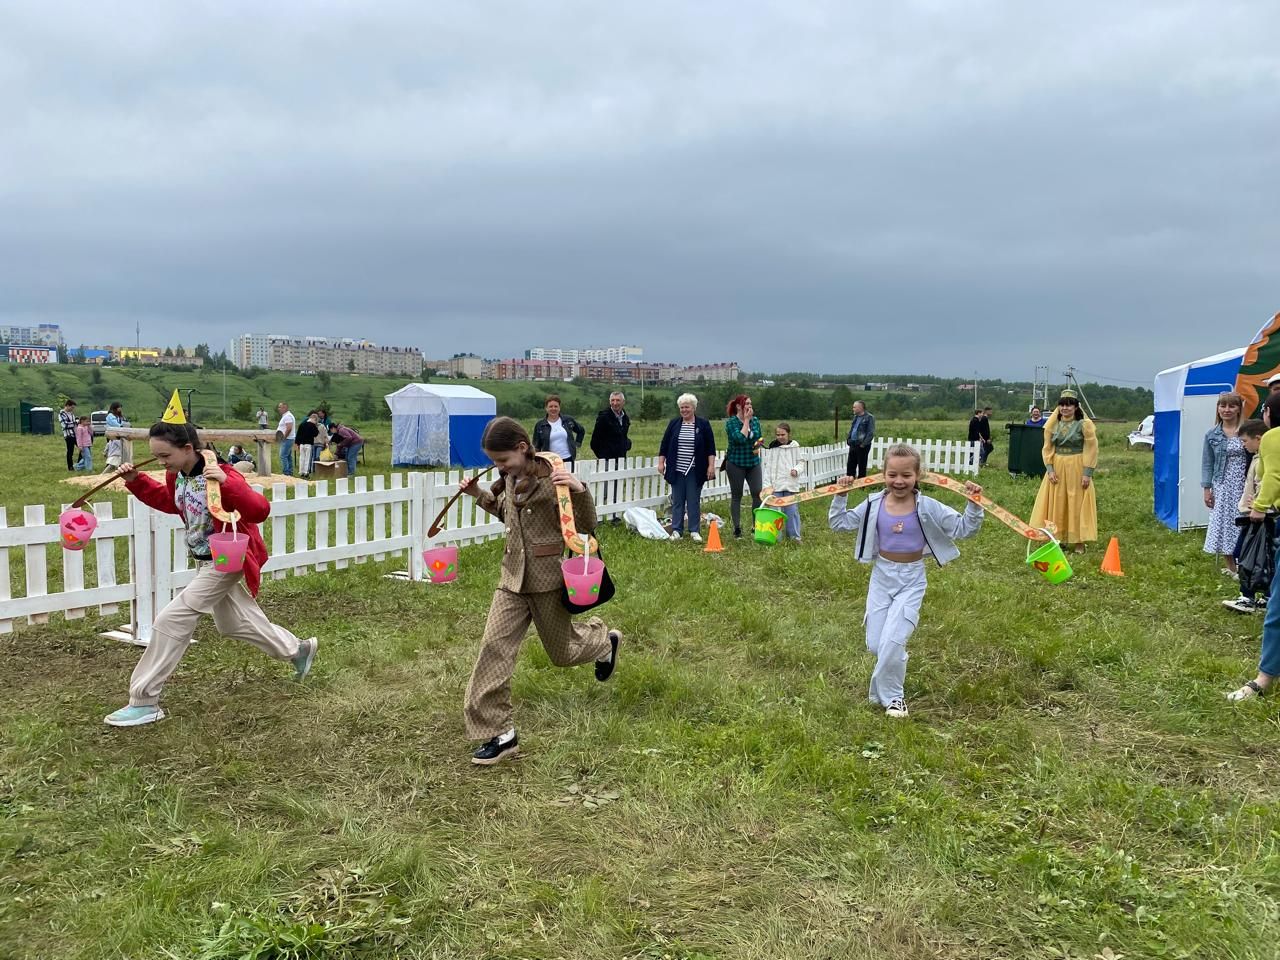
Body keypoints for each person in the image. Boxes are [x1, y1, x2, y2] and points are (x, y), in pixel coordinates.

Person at [103, 420, 318, 727]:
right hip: (205, 560)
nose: (161, 462)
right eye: (157, 456)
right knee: (233, 624)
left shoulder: (220, 474)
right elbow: (172, 503)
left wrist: (228, 483)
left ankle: (144, 699)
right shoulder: (176, 475)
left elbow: (259, 510)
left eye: (165, 455)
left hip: (226, 559)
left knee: (173, 618)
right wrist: (137, 480)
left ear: (188, 448)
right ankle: (297, 650)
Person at [456, 417, 621, 765]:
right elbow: (507, 514)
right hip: (511, 580)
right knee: (493, 648)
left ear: (521, 447)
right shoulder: (511, 478)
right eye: (495, 462)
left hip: (548, 581)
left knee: (562, 654)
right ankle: (501, 734)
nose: (498, 467)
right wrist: (479, 495)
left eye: (503, 460)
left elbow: (586, 525)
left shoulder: (554, 479)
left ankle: (604, 641)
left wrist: (580, 490)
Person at [829, 443, 984, 718]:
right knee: (877, 644)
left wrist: (973, 504)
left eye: (906, 475)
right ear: (883, 474)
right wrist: (841, 494)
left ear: (918, 476)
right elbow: (839, 523)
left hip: (912, 579)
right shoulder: (873, 504)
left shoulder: (928, 506)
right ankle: (894, 658)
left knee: (893, 641)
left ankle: (894, 699)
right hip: (881, 576)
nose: (898, 481)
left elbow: (964, 529)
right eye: (892, 475)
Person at [1227, 395, 1280, 701]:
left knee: (1276, 606)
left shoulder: (1273, 437)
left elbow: (1273, 476)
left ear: (1270, 413)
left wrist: (1258, 507)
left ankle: (1263, 679)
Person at [1029, 390, 1097, 553]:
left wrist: (1087, 472)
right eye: (1062, 405)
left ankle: (1079, 541)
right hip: (1058, 466)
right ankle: (1057, 538)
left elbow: (1091, 448)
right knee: (1057, 502)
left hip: (1077, 465)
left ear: (1075, 407)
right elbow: (1047, 448)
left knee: (1076, 502)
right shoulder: (1052, 425)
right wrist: (1050, 470)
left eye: (1069, 405)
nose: (1065, 408)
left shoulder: (1084, 425)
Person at [1223, 418, 1269, 613]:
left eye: (1244, 441)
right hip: (1254, 512)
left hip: (1257, 515)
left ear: (1258, 439)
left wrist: (1258, 504)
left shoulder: (1264, 459)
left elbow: (1265, 484)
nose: (1243, 445)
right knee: (1263, 557)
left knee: (1245, 555)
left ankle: (1247, 597)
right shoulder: (1258, 456)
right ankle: (1267, 596)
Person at [657, 393, 717, 542]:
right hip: (676, 468)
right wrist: (661, 462)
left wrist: (711, 466)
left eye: (687, 407)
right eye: (682, 407)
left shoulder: (703, 424)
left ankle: (694, 530)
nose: (684, 410)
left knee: (693, 500)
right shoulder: (674, 424)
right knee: (677, 501)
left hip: (695, 469)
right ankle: (677, 530)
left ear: (693, 408)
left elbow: (711, 447)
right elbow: (664, 444)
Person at [1202, 392, 1247, 577]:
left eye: (1231, 406)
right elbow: (1207, 463)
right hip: (1222, 484)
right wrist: (1207, 489)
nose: (1226, 410)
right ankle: (1231, 567)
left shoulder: (1248, 430)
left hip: (1244, 484)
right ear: (1218, 409)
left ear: (1238, 409)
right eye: (1223, 406)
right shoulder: (1212, 434)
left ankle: (1246, 564)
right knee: (1224, 523)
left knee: (1243, 522)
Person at [724, 394, 763, 539]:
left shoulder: (756, 420)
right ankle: (737, 528)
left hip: (753, 462)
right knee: (737, 495)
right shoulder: (731, 423)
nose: (750, 406)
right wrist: (746, 421)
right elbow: (740, 439)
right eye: (747, 404)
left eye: (750, 404)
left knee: (757, 493)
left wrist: (755, 440)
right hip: (735, 463)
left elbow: (758, 436)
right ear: (739, 406)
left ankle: (756, 526)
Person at [764, 422, 806, 542]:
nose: (780, 437)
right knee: (774, 512)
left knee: (791, 511)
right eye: (778, 435)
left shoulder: (795, 446)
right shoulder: (773, 448)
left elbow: (801, 462)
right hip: (775, 487)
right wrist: (767, 487)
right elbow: (768, 468)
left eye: (783, 434)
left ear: (788, 434)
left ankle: (794, 537)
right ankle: (775, 537)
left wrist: (796, 470)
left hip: (790, 486)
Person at [532, 395, 585, 466]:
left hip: (568, 459)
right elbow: (536, 446)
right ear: (546, 408)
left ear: (559, 408)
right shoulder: (540, 425)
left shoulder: (568, 420)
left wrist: (576, 444)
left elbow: (581, 430)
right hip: (550, 461)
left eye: (556, 406)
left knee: (569, 477)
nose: (553, 409)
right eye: (550, 406)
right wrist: (536, 461)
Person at [845, 400, 876, 479]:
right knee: (850, 465)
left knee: (861, 466)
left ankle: (861, 486)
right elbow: (852, 429)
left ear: (860, 408)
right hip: (853, 443)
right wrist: (848, 439)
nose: (853, 409)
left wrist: (863, 444)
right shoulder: (855, 417)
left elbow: (870, 432)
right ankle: (849, 483)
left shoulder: (869, 417)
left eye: (854, 407)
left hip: (861, 445)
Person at [295, 410, 320, 479]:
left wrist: (297, 443)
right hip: (308, 444)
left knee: (301, 458)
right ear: (314, 419)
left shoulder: (302, 424)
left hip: (301, 444)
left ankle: (301, 472)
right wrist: (315, 426)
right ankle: (306, 473)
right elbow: (316, 434)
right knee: (307, 459)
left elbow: (298, 435)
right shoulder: (312, 425)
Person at [276, 402, 296, 477]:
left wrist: (284, 437)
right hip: (288, 438)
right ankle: (289, 472)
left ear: (285, 408)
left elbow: (289, 428)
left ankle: (286, 472)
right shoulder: (286, 416)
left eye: (280, 407)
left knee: (283, 455)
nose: (279, 409)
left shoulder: (287, 416)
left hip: (287, 438)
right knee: (288, 456)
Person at [104, 402, 125, 470]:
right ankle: (109, 463)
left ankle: (117, 463)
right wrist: (121, 426)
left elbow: (122, 422)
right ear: (115, 408)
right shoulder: (110, 416)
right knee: (112, 450)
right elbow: (116, 424)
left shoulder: (118, 416)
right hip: (112, 434)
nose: (120, 409)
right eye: (119, 407)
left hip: (118, 434)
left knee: (118, 449)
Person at [59, 399, 78, 471]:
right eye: (72, 407)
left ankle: (79, 464)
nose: (72, 409)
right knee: (70, 451)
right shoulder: (62, 414)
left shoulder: (71, 414)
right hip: (68, 435)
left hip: (75, 434)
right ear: (67, 406)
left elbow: (73, 422)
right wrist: (75, 423)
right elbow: (65, 425)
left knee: (83, 448)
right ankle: (70, 467)